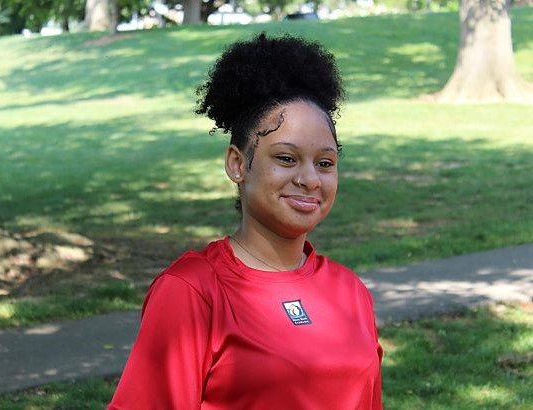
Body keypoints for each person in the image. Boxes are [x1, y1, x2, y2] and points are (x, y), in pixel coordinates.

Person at [108, 32, 383, 409]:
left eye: (325, 163)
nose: (310, 179)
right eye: (286, 158)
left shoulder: (350, 293)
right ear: (238, 164)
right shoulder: (192, 291)